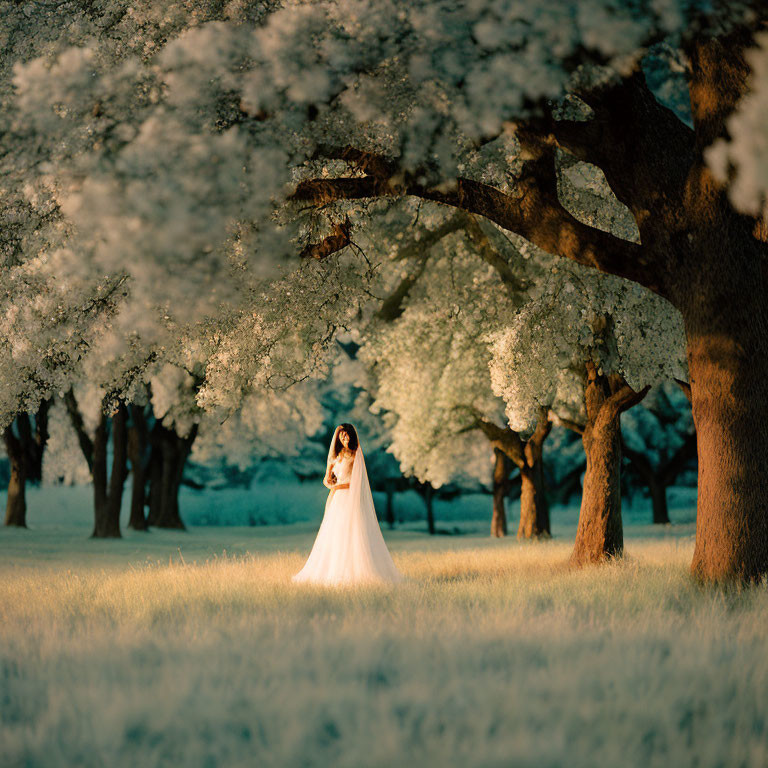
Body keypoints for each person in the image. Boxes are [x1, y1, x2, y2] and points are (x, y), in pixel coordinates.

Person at [292, 423, 403, 586]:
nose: (344, 438)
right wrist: (330, 482)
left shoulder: (355, 454)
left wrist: (337, 486)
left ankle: (356, 571)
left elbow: (356, 482)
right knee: (334, 534)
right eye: (341, 436)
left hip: (349, 499)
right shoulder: (334, 456)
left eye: (347, 435)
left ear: (351, 436)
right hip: (336, 499)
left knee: (351, 534)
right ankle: (333, 571)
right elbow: (326, 479)